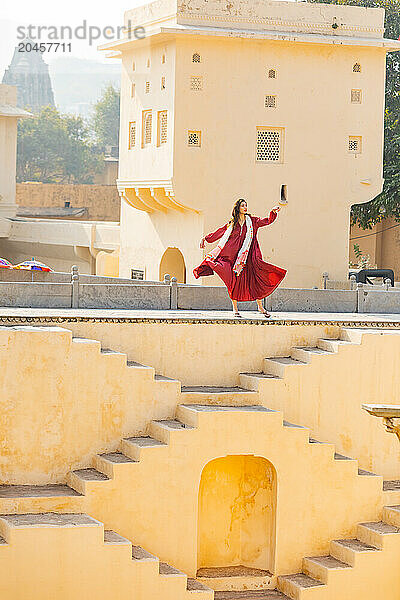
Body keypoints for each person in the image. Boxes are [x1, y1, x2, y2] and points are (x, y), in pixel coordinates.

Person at [193, 198, 287, 318]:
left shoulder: (252, 221)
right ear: (238, 208)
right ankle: (235, 309)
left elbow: (266, 221)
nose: (245, 207)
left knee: (254, 280)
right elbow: (220, 232)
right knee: (233, 281)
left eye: (246, 205)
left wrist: (273, 212)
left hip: (249, 256)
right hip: (232, 257)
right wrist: (206, 238)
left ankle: (261, 308)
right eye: (243, 205)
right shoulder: (232, 224)